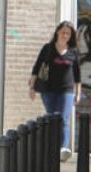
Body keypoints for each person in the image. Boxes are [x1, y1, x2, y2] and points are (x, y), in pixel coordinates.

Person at [29, 21, 82, 162]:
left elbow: (77, 75)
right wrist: (32, 86)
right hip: (48, 90)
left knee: (63, 118)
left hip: (67, 90)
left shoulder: (73, 52)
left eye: (68, 34)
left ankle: (62, 149)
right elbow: (37, 67)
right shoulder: (48, 48)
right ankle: (51, 148)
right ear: (57, 32)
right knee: (51, 118)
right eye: (63, 32)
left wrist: (78, 93)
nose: (65, 35)